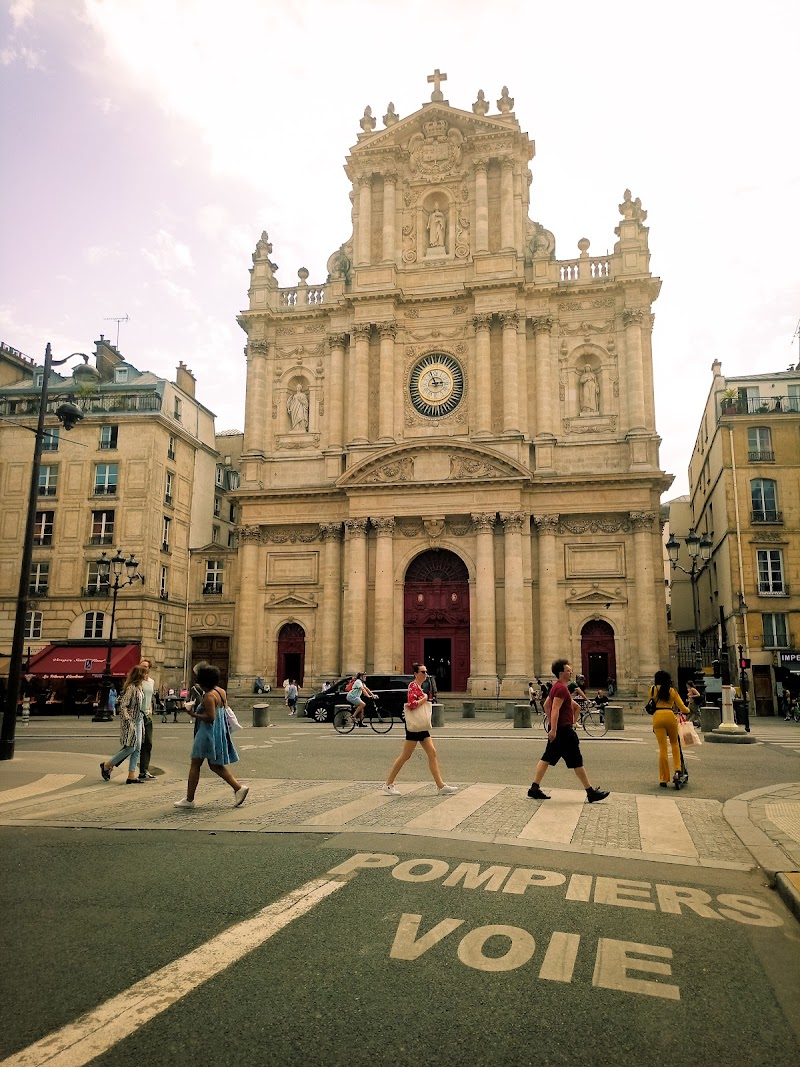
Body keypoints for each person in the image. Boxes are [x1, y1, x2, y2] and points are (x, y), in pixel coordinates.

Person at [527, 659, 609, 803]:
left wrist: (554, 724)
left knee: (547, 758)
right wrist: (554, 728)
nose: (571, 673)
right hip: (563, 731)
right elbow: (555, 708)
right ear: (561, 673)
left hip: (561, 730)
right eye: (568, 671)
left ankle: (534, 788)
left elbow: (547, 705)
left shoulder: (557, 687)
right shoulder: (561, 688)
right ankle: (590, 792)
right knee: (576, 760)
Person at [174, 663, 249, 809]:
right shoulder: (220, 691)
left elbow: (210, 717)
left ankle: (189, 799)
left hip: (206, 733)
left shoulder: (209, 696)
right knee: (215, 765)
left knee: (195, 764)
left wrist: (192, 713)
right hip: (217, 731)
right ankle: (238, 788)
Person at [382, 664, 457, 795]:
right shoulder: (412, 686)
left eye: (426, 671)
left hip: (420, 725)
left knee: (432, 752)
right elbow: (412, 705)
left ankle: (440, 786)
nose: (425, 674)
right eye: (423, 672)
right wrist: (425, 698)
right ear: (416, 674)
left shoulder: (418, 687)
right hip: (415, 726)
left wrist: (423, 697)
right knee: (405, 755)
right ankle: (388, 784)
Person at [100, 664, 147, 784]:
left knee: (137, 748)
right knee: (131, 747)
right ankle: (107, 765)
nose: (147, 675)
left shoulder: (140, 687)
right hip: (131, 720)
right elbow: (123, 705)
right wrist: (128, 720)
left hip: (139, 719)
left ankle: (131, 775)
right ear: (139, 675)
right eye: (145, 673)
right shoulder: (131, 688)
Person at [649, 670, 690, 788]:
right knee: (675, 744)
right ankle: (677, 771)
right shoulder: (672, 691)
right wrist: (688, 710)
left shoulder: (653, 690)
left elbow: (651, 701)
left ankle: (663, 778)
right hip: (670, 716)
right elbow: (681, 706)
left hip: (657, 717)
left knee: (662, 748)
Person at [136, 659, 156, 781]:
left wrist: (150, 710)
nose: (143, 668)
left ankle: (144, 770)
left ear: (149, 668)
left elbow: (149, 698)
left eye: (146, 666)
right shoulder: (137, 682)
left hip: (147, 716)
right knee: (134, 745)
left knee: (148, 743)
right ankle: (110, 764)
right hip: (138, 715)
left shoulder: (151, 682)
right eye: (141, 666)